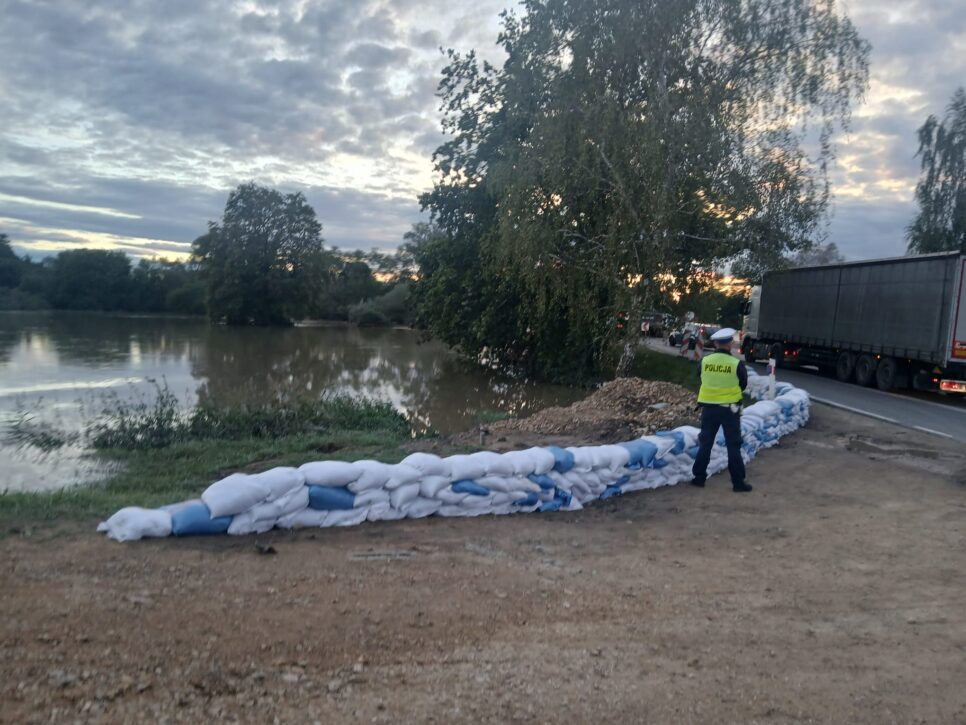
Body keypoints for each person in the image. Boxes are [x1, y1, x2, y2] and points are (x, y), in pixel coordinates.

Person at [691, 327, 753, 492]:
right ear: (730, 343)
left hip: (709, 409)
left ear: (716, 343)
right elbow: (743, 384)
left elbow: (701, 377)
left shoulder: (705, 361)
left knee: (706, 443)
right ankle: (738, 483)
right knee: (733, 445)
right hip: (730, 410)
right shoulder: (736, 364)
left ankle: (699, 478)